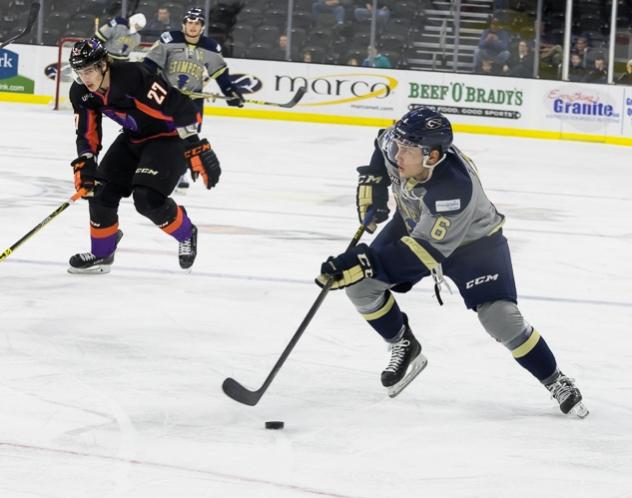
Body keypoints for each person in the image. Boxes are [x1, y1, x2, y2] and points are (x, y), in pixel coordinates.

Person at [316, 107, 588, 418]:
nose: (397, 155)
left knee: (500, 318)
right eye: (398, 146)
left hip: (475, 245)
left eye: (407, 150)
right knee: (361, 287)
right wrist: (373, 180)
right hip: (415, 222)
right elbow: (382, 142)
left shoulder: (454, 190)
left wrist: (365, 262)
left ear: (432, 157)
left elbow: (424, 253)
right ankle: (403, 344)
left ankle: (556, 380)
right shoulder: (399, 145)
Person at [67, 37, 221, 274]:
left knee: (147, 199)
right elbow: (87, 132)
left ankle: (186, 232)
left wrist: (193, 144)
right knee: (100, 190)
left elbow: (181, 107)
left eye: (89, 70)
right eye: (80, 72)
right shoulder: (81, 92)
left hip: (167, 139)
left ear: (104, 64)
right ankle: (102, 253)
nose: (85, 78)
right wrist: (86, 163)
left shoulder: (133, 77)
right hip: (132, 138)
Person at [143, 7, 244, 192]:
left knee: (188, 138)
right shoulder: (169, 39)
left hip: (191, 101)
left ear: (202, 27)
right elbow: (149, 65)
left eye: (197, 23)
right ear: (184, 25)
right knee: (159, 135)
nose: (193, 26)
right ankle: (151, 169)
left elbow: (220, 73)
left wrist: (231, 91)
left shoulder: (210, 47)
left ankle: (179, 173)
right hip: (166, 97)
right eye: (190, 23)